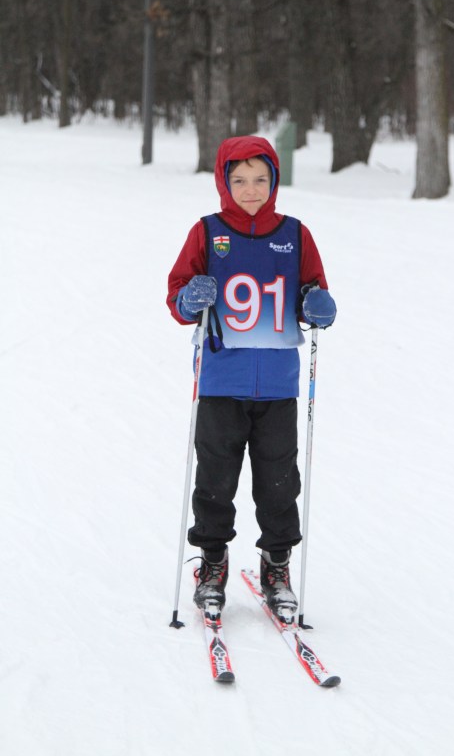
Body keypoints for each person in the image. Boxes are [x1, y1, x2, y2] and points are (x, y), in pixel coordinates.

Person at [166, 135, 336, 621]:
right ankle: (212, 562)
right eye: (239, 180)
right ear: (223, 182)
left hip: (278, 385)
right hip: (221, 380)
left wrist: (318, 306)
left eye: (261, 179)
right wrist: (189, 299)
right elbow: (177, 296)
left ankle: (276, 565)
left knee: (279, 483)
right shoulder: (208, 232)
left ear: (275, 180)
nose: (251, 189)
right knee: (215, 479)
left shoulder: (296, 234)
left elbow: (313, 293)